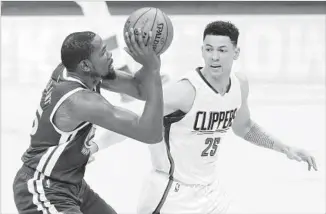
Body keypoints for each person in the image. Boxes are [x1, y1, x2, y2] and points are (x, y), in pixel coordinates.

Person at [91, 20, 318, 213]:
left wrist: (284, 148)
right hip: (170, 195)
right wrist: (95, 146)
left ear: (236, 53)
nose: (214, 57)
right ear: (202, 51)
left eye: (222, 50)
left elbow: (245, 127)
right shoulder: (185, 91)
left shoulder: (239, 85)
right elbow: (134, 120)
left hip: (210, 193)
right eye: (209, 49)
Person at [12, 28, 163, 214]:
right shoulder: (80, 102)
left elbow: (140, 89)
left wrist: (149, 62)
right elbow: (151, 133)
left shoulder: (77, 71)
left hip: (71, 184)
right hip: (43, 187)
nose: (109, 55)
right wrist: (153, 69)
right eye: (103, 53)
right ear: (85, 65)